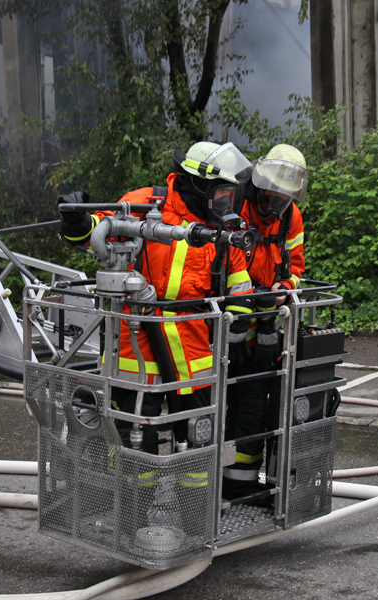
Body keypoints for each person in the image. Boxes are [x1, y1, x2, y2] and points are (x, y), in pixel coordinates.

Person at [58, 141, 254, 455]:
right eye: (221, 192)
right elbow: (96, 231)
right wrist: (75, 221)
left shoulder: (220, 227)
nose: (226, 200)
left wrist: (240, 327)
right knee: (135, 439)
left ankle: (195, 502)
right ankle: (134, 501)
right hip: (136, 344)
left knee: (198, 437)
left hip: (193, 348)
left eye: (229, 193)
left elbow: (238, 279)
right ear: (198, 186)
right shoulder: (145, 203)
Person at [221, 143, 308, 502]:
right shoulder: (233, 203)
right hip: (222, 327)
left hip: (264, 328)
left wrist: (283, 291)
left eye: (283, 197)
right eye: (271, 195)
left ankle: (240, 484)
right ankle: (196, 488)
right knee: (206, 407)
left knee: (254, 407)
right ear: (260, 183)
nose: (275, 204)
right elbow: (220, 263)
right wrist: (238, 320)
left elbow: (297, 267)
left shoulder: (292, 216)